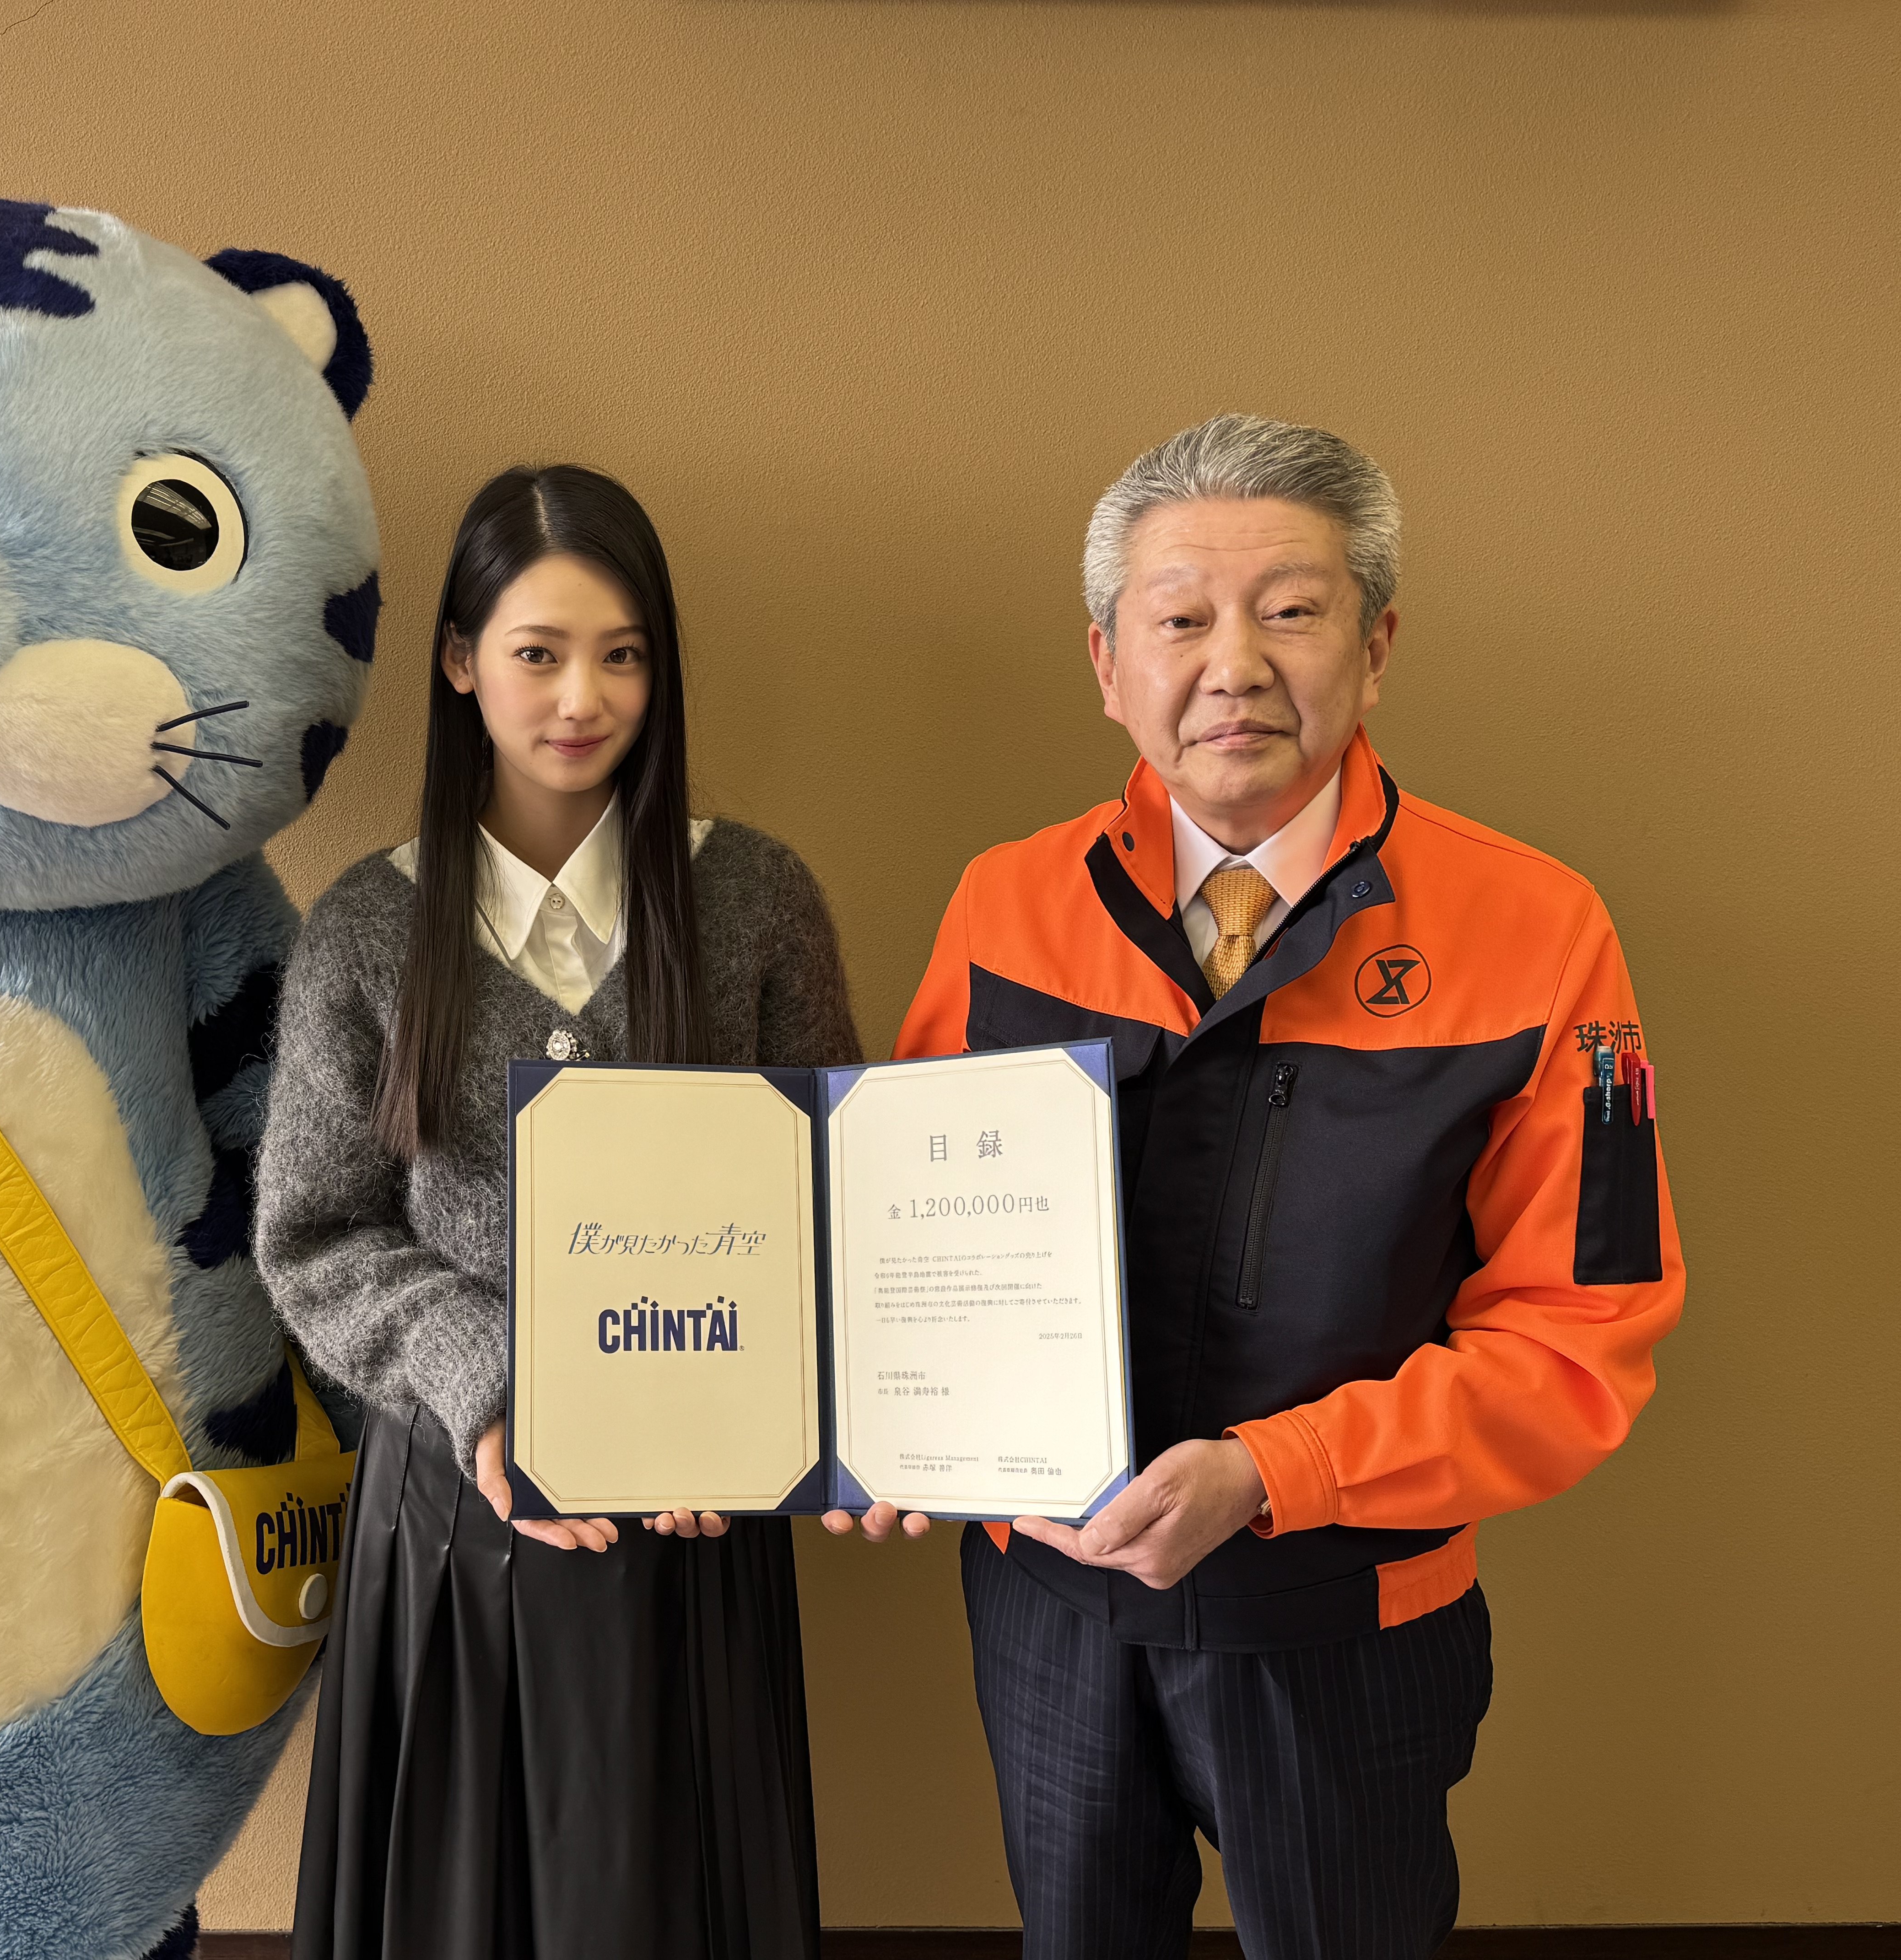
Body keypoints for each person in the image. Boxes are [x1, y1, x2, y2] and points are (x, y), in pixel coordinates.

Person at [831, 415, 1684, 1957]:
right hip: (1050, 1605)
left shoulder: (1543, 934)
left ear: (1377, 645)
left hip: (1345, 1620)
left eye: (1289, 609)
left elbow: (1581, 1340)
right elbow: (903, 1245)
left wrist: (1279, 1472)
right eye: (1179, 618)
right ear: (1108, 663)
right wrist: (880, 1414)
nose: (1233, 663)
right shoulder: (1007, 901)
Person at [256, 463, 859, 1960]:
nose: (582, 695)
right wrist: (488, 1380)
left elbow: (836, 1192)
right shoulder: (369, 925)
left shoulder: (754, 897)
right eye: (537, 651)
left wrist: (759, 1404)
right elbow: (316, 1235)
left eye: (624, 652)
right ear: (462, 662)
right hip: (457, 1515)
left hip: (698, 1518)